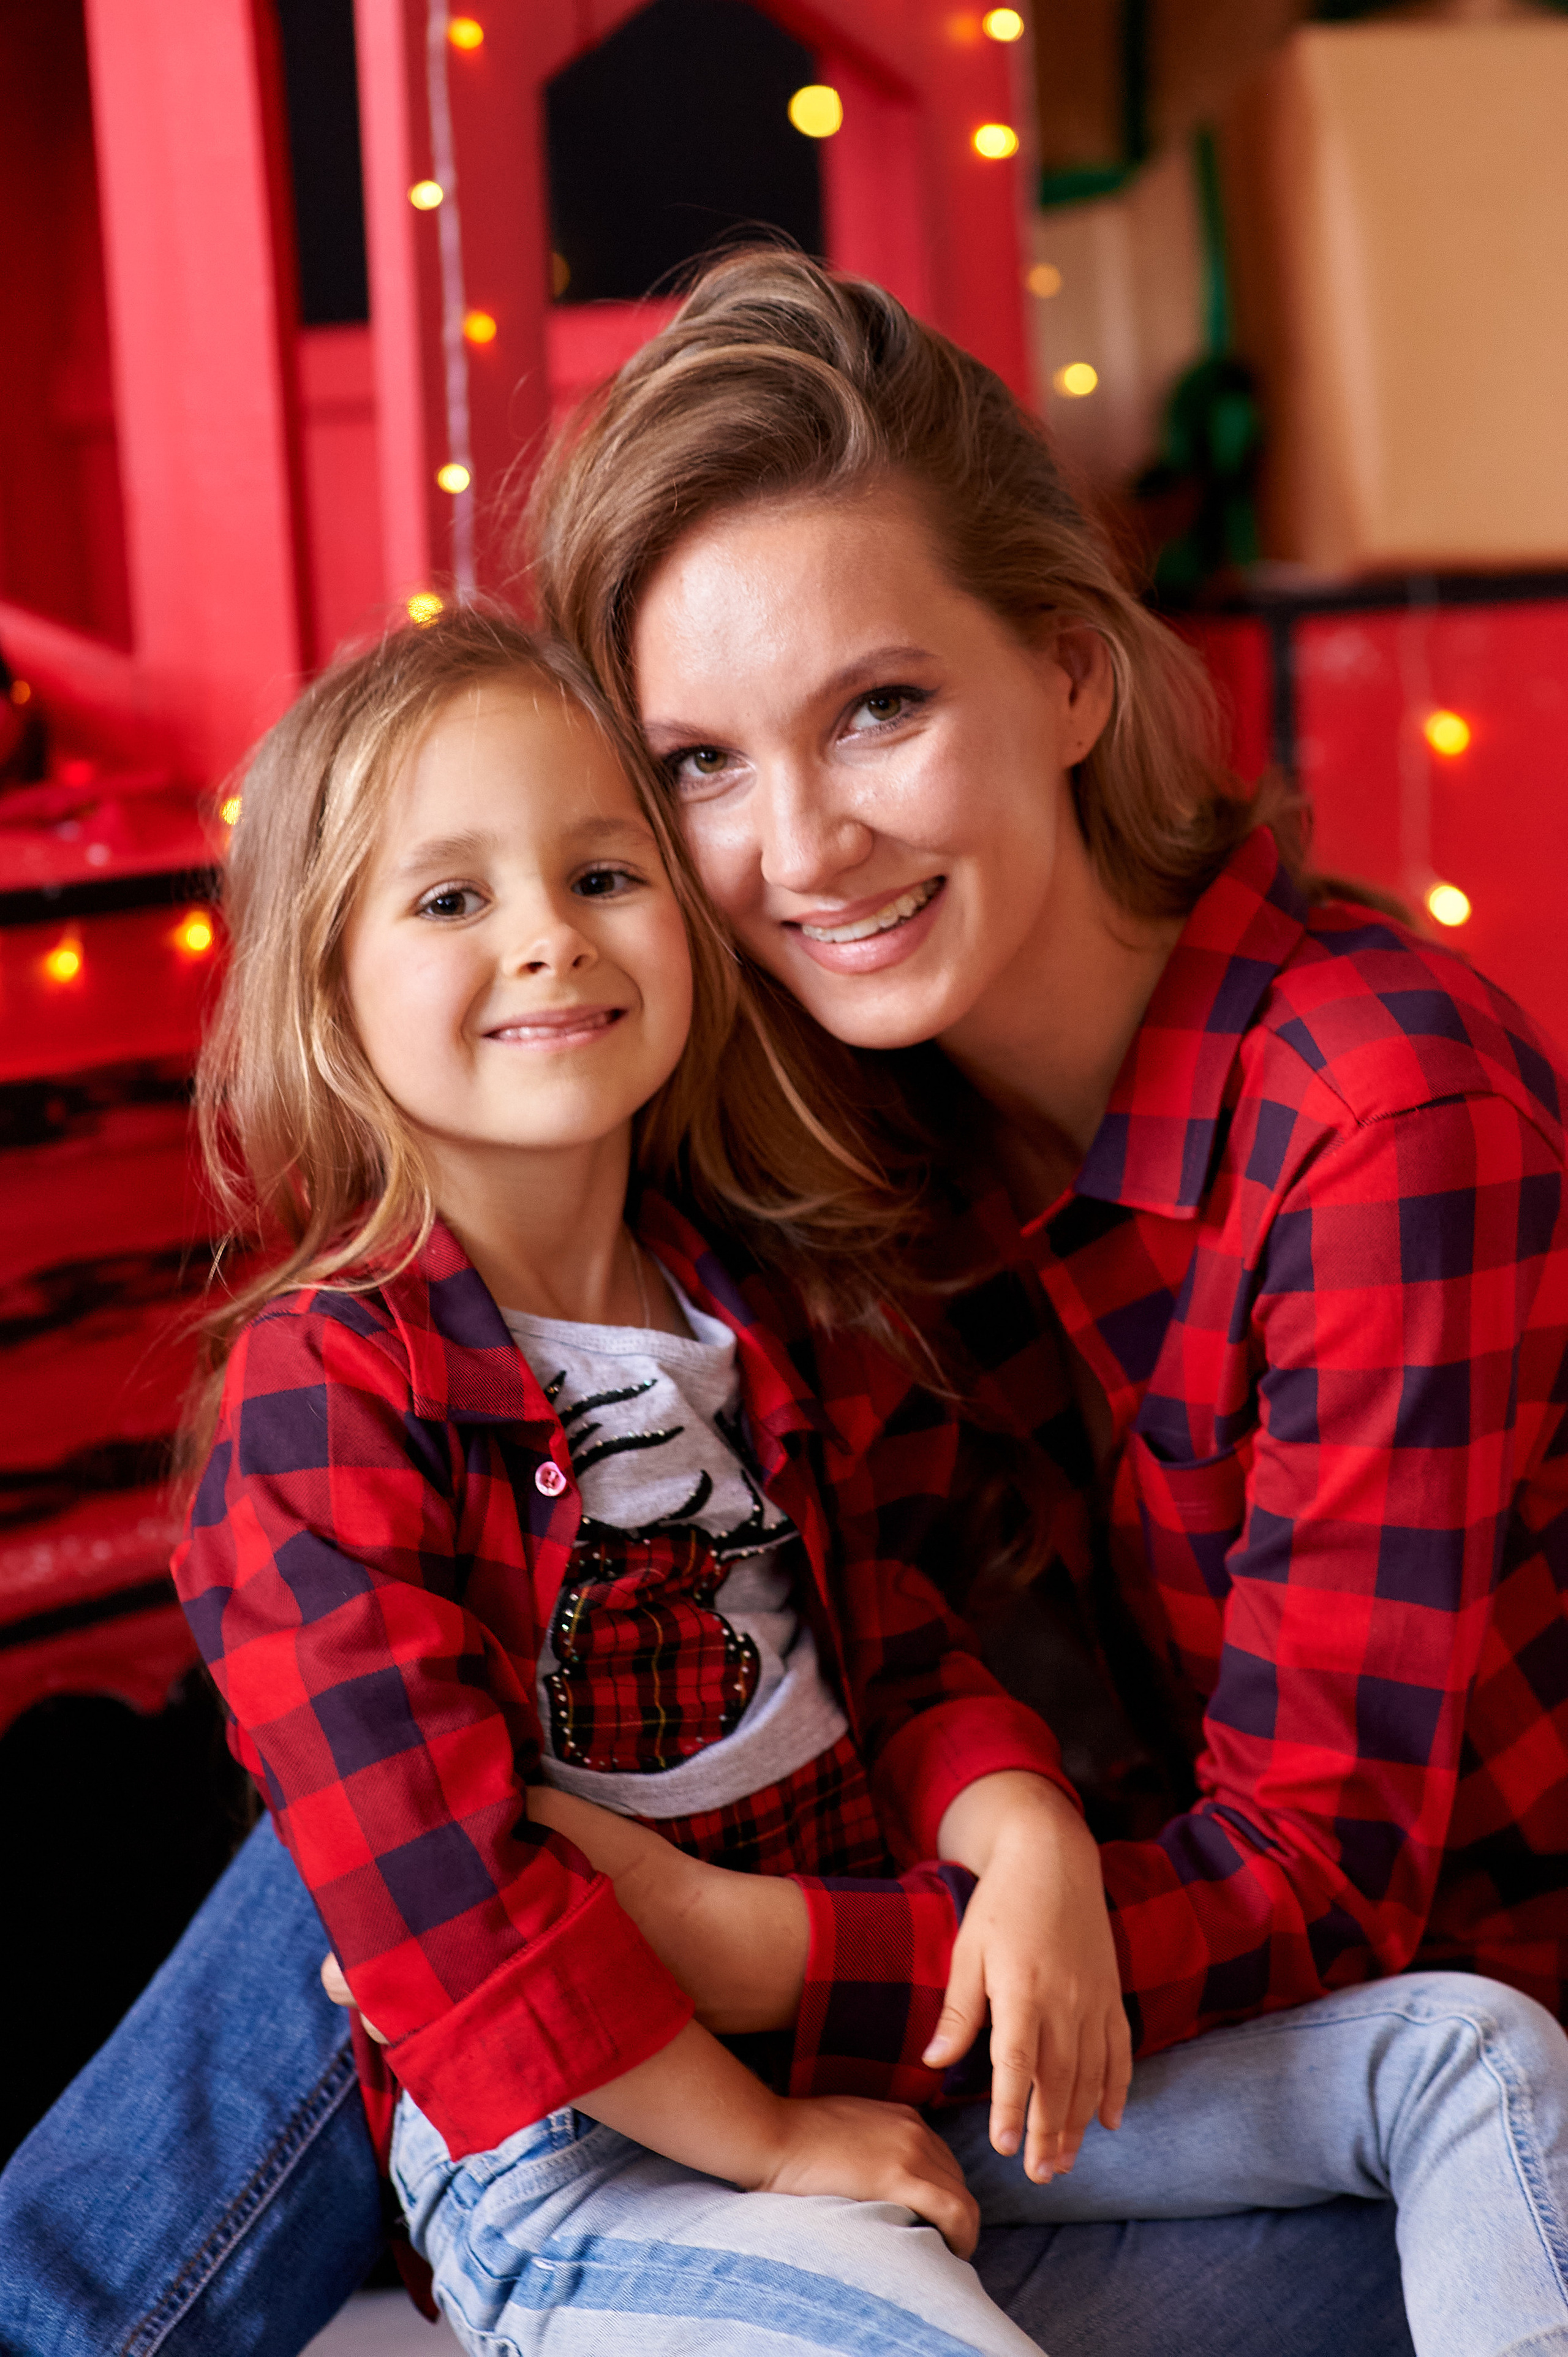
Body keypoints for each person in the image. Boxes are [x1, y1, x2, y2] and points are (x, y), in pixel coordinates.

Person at [3, 252, 1565, 2357]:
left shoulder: (1373, 1107)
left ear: (1075, 672)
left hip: (1309, 2033)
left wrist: (725, 1952)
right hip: (921, 1996)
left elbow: (1313, 1881)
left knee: (440, 1813)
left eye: (883, 709)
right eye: (704, 769)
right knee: (391, 1752)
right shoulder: (831, 1103)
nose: (803, 845)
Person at [165, 602, 1137, 2357]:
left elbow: (893, 1658)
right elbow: (443, 1905)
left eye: (604, 873)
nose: (549, 938)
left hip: (841, 2048)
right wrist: (768, 2145)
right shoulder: (324, 1397)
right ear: (328, 986)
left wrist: (1025, 1824)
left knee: (1459, 2060)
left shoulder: (753, 1314)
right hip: (564, 2147)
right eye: (453, 899)